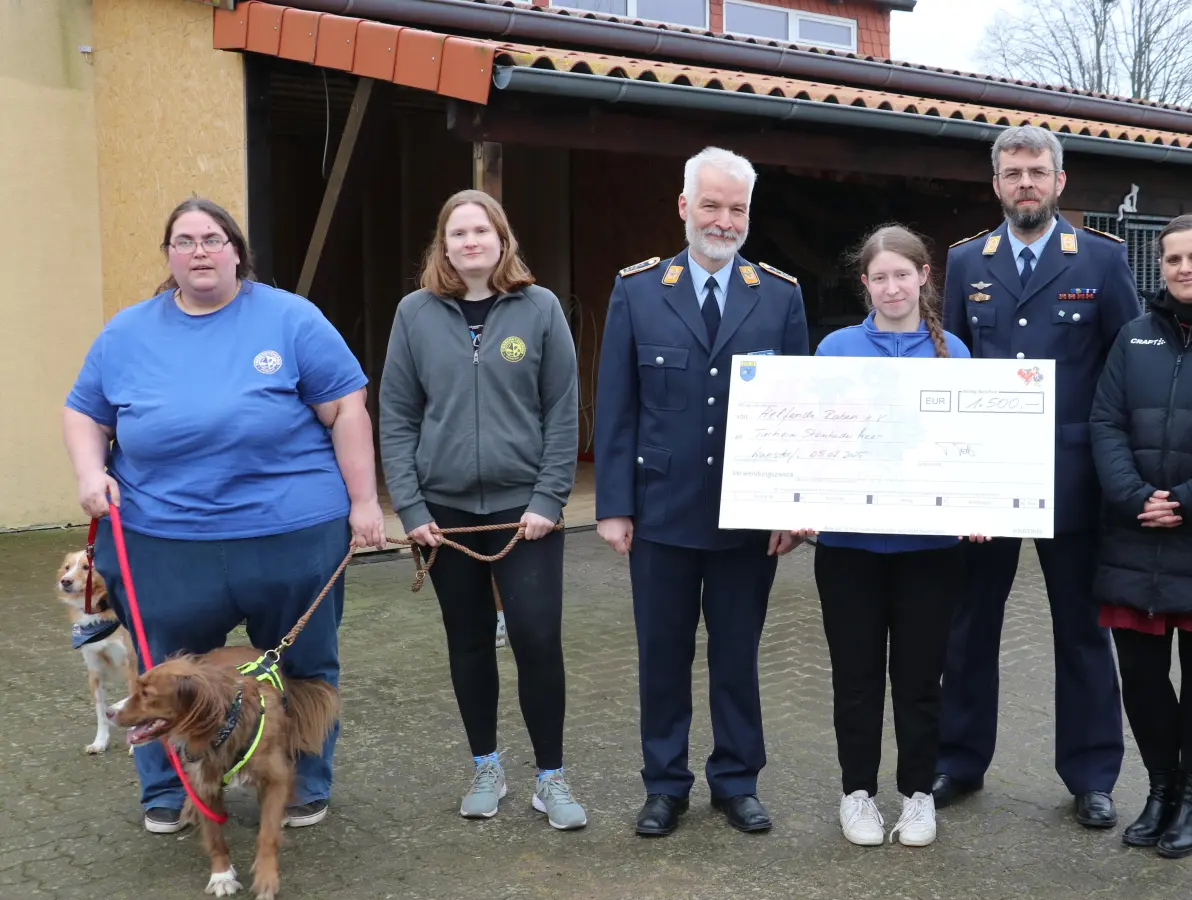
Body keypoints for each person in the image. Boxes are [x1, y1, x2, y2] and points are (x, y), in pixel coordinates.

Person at [62, 197, 382, 834]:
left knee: (303, 664)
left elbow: (347, 408)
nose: (199, 251)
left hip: (292, 532)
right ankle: (172, 789)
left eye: (211, 239)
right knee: (160, 672)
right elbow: (84, 413)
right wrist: (89, 472)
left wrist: (365, 503)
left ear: (237, 250)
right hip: (165, 538)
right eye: (183, 241)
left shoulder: (292, 319)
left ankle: (300, 781)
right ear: (169, 257)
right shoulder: (126, 333)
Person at [593, 146, 809, 837]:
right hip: (661, 513)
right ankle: (665, 786)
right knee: (662, 656)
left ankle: (736, 781)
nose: (723, 220)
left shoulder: (779, 295)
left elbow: (798, 412)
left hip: (748, 518)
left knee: (737, 656)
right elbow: (617, 406)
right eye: (710, 205)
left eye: (736, 208)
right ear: (685, 207)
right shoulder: (637, 290)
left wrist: (791, 509)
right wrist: (614, 506)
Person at [937, 124, 1141, 828]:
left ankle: (1091, 775)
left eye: (1038, 171)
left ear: (1059, 181)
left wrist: (1122, 474)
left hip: (1072, 479)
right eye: (1013, 172)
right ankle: (957, 762)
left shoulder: (1102, 260)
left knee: (1082, 631)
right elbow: (951, 362)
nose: (1026, 183)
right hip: (986, 482)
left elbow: (1126, 371)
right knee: (969, 627)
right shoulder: (966, 262)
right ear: (995, 185)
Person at [379, 189, 585, 828]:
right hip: (444, 515)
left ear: (502, 239)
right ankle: (486, 766)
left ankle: (550, 777)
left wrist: (550, 497)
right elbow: (396, 416)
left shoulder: (541, 308)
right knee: (467, 640)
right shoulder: (414, 314)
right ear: (443, 246)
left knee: (536, 640)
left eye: (481, 231)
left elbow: (561, 410)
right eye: (457, 234)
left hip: (526, 514)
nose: (469, 242)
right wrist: (410, 509)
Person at [798, 225, 980, 848]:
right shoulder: (836, 350)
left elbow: (972, 450)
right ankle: (857, 794)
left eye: (903, 274)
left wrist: (980, 502)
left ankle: (918, 794)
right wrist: (797, 498)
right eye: (880, 277)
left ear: (924, 276)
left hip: (929, 552)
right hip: (848, 548)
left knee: (920, 680)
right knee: (855, 679)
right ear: (865, 284)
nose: (892, 286)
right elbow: (812, 442)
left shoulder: (952, 350)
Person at [1088, 214, 1192, 859]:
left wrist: (1187, 500)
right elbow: (1105, 423)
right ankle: (1158, 790)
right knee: (1142, 673)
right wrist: (1134, 497)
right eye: (1173, 259)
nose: (1185, 269)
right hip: (1133, 530)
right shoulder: (1133, 338)